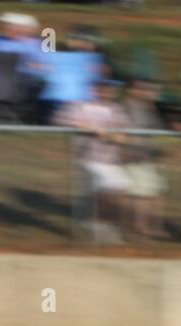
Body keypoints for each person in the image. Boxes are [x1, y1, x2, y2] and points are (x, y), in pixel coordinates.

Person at [58, 79, 129, 243]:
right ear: (94, 89)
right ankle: (94, 223)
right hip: (88, 156)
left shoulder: (116, 109)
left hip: (111, 159)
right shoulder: (80, 105)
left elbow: (122, 135)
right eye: (101, 88)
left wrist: (110, 135)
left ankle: (104, 223)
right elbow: (67, 121)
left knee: (122, 189)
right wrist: (95, 130)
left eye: (108, 88)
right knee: (103, 187)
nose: (105, 91)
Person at [120, 79, 169, 240]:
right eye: (143, 89)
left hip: (148, 156)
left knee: (155, 193)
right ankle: (136, 229)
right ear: (133, 90)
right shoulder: (127, 107)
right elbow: (124, 131)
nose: (147, 92)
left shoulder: (149, 108)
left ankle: (152, 227)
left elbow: (158, 129)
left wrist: (153, 108)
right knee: (139, 195)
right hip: (132, 155)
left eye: (149, 89)